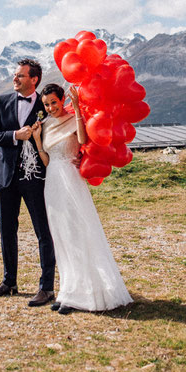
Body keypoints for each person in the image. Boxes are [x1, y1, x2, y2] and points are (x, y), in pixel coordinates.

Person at [31, 83, 131, 314]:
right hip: (53, 182)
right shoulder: (45, 124)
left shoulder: (74, 119)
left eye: (54, 102)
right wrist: (37, 139)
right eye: (46, 105)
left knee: (78, 234)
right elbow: (46, 161)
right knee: (62, 238)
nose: (50, 108)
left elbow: (84, 140)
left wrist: (76, 107)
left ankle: (84, 294)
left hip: (71, 179)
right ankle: (67, 291)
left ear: (62, 99)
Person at [0, 59, 56, 307]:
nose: (15, 79)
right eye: (15, 75)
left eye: (20, 76)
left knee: (43, 232)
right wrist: (15, 135)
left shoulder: (45, 105)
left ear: (33, 79)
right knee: (7, 230)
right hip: (7, 176)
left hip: (36, 178)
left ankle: (46, 288)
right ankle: (9, 282)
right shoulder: (2, 102)